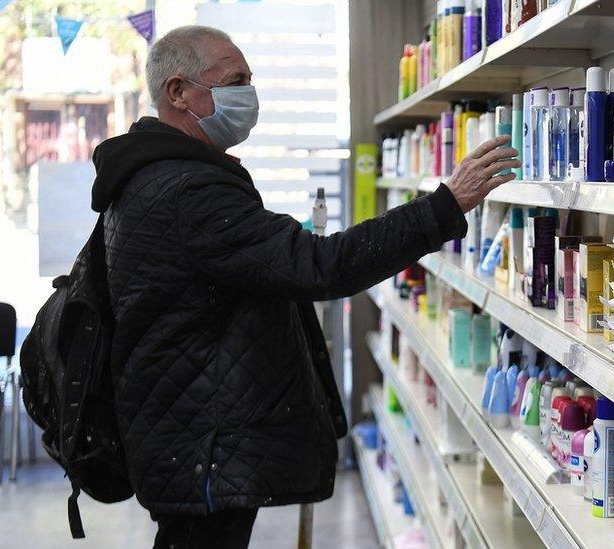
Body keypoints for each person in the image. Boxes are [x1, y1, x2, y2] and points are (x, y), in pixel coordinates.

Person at [89, 25, 518, 548]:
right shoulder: (186, 191)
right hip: (201, 443)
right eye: (235, 80)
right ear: (178, 92)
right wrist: (444, 204)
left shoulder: (155, 176)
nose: (250, 94)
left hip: (187, 432)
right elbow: (323, 265)